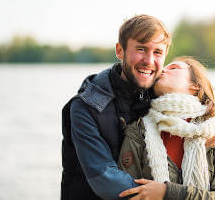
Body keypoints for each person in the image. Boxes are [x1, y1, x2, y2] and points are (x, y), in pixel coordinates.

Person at [61, 14, 171, 200]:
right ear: (120, 51)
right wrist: (166, 195)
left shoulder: (165, 98)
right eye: (141, 49)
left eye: (157, 52)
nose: (149, 60)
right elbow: (105, 179)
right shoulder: (85, 106)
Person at [118, 57, 215, 200]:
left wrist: (167, 192)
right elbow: (126, 194)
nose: (162, 70)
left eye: (173, 68)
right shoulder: (138, 131)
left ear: (195, 85)